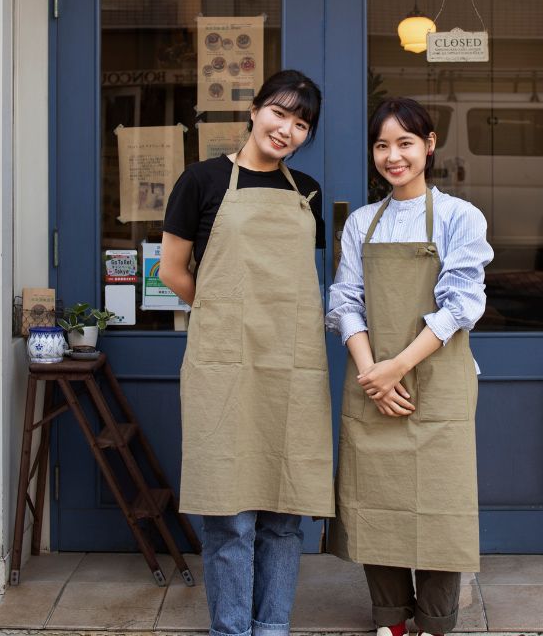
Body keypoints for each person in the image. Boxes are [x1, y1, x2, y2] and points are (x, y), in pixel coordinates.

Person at [159, 69, 333, 636]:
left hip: (291, 367)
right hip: (224, 366)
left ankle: (272, 628)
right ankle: (233, 631)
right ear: (254, 110)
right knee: (230, 517)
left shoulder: (306, 190)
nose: (286, 129)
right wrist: (221, 312)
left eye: (301, 123)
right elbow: (172, 272)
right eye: (279, 113)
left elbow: (299, 280)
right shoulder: (201, 181)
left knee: (284, 516)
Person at [326, 97, 492, 636]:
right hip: (373, 380)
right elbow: (345, 302)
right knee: (377, 499)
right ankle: (391, 620)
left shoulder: (458, 217)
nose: (393, 156)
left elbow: (463, 305)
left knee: (441, 506)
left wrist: (396, 366)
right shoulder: (360, 224)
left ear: (429, 145)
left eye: (405, 143)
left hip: (435, 383)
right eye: (382, 145)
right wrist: (372, 374)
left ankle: (436, 622)